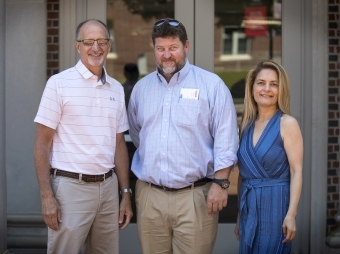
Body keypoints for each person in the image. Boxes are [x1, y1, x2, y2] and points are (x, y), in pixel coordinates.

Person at [128, 18, 238, 254]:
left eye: (173, 48)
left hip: (195, 197)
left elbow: (226, 139)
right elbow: (139, 138)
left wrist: (220, 183)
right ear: (154, 49)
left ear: (186, 46)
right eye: (160, 49)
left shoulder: (212, 86)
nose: (167, 55)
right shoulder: (141, 89)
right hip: (150, 197)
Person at [33, 19, 133, 254]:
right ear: (78, 46)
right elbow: (42, 143)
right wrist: (47, 196)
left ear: (109, 45)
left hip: (108, 189)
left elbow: (118, 144)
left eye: (101, 42)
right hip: (70, 189)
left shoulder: (117, 89)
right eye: (89, 42)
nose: (95, 48)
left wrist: (125, 193)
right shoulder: (58, 84)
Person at [234, 59, 303, 253]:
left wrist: (291, 215)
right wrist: (240, 214)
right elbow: (243, 175)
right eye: (261, 83)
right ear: (252, 87)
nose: (267, 89)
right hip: (249, 208)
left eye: (274, 84)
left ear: (281, 90)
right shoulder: (245, 125)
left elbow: (296, 171)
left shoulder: (287, 123)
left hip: (276, 207)